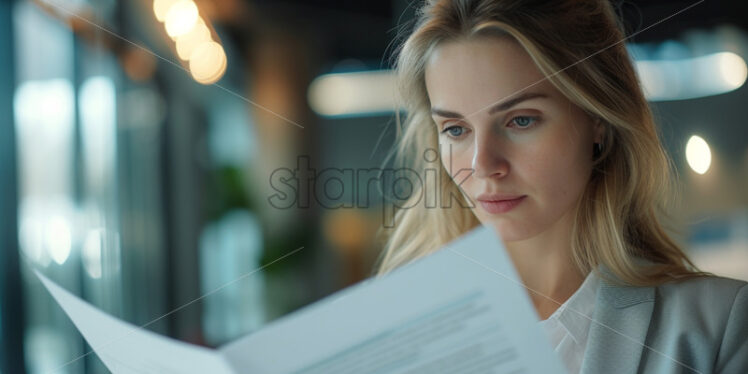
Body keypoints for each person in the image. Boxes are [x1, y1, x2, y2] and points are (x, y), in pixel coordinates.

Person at [373, 1, 748, 373]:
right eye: (456, 130)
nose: (483, 165)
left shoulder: (716, 328)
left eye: (521, 120)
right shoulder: (402, 338)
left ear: (597, 120)